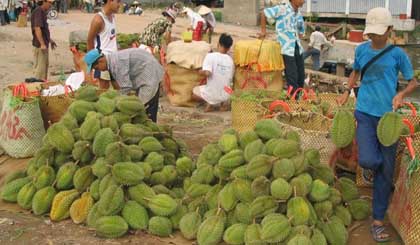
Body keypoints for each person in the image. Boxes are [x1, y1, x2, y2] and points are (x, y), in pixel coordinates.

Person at [336, 7, 418, 243]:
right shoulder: (362, 50)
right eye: (371, 33)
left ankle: (378, 220)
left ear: (390, 30)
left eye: (379, 33)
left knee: (385, 173)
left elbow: (412, 82)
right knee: (369, 161)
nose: (373, 37)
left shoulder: (398, 54)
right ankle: (381, 171)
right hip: (364, 112)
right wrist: (346, 91)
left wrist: (401, 95)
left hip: (388, 119)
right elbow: (355, 74)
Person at [83, 48, 164, 122]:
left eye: (97, 68)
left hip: (149, 72)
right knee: (140, 104)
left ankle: (151, 128)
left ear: (101, 61)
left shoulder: (117, 63)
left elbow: (126, 87)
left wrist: (117, 104)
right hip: (143, 71)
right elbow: (118, 84)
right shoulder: (111, 61)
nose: (98, 70)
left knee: (146, 106)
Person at [259, 0, 305, 93]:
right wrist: (263, 31)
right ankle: (293, 101)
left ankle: (298, 98)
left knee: (301, 76)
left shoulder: (299, 14)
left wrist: (299, 35)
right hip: (287, 49)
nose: (303, 1)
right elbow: (264, 13)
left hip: (298, 48)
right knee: (292, 77)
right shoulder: (282, 9)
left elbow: (301, 31)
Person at [192, 33, 234, 112]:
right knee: (224, 85)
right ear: (229, 48)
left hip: (212, 93)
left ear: (218, 44)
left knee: (193, 93)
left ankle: (209, 103)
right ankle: (223, 104)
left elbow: (208, 73)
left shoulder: (211, 56)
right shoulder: (230, 60)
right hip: (227, 94)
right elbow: (230, 78)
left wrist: (199, 71)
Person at [87, 0, 119, 89]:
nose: (120, 5)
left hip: (114, 59)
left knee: (119, 89)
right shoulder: (98, 20)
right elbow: (89, 41)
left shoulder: (112, 16)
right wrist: (92, 63)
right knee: (103, 90)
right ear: (110, 1)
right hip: (102, 61)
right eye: (118, 2)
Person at [31, 0, 57, 80]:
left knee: (43, 70)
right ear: (44, 2)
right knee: (40, 72)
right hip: (40, 46)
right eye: (50, 3)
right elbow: (37, 28)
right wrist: (42, 44)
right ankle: (37, 89)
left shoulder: (42, 12)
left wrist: (50, 40)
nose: (51, 5)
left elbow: (43, 30)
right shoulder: (39, 11)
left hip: (43, 45)